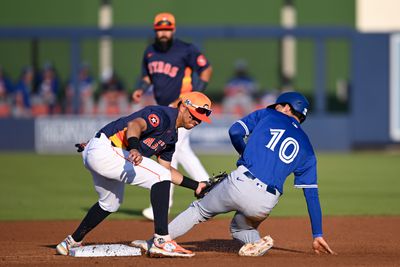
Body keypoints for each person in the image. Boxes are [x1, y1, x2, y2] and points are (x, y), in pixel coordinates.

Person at [132, 92, 336, 257]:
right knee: (241, 229)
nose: (275, 108)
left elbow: (235, 131)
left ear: (287, 108)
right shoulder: (308, 149)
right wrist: (317, 234)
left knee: (199, 211)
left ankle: (155, 242)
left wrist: (246, 153)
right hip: (266, 202)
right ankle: (255, 242)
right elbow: (311, 195)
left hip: (241, 182)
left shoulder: (269, 114)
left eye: (278, 106)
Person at [56, 92, 212, 258]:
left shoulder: (172, 137)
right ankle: (162, 240)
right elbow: (134, 125)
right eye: (194, 115)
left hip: (104, 151)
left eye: (200, 118)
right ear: (182, 106)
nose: (197, 121)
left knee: (110, 203)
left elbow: (167, 170)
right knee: (160, 177)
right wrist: (134, 147)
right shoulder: (163, 115)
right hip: (107, 150)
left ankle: (71, 241)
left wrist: (196, 185)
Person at [132, 12, 213, 220]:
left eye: (167, 29)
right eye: (160, 29)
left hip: (183, 110)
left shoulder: (185, 49)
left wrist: (192, 97)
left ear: (173, 29)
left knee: (170, 152)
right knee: (182, 151)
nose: (164, 32)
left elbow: (206, 70)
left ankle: (163, 205)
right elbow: (147, 76)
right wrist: (141, 88)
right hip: (163, 109)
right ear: (155, 31)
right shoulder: (150, 52)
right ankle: (209, 188)